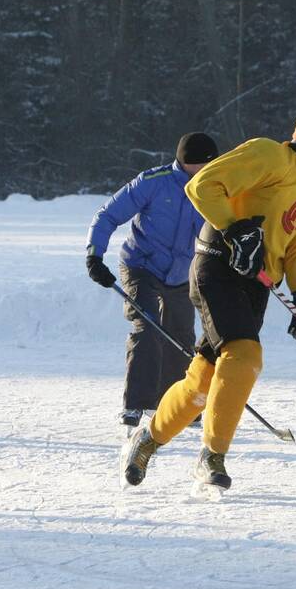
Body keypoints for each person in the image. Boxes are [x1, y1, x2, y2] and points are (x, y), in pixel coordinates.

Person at [120, 101, 296, 494]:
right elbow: (202, 185)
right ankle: (212, 456)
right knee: (244, 356)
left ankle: (147, 438)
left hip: (256, 282)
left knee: (203, 382)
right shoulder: (268, 154)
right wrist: (235, 227)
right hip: (218, 266)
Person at [86, 132, 219, 432]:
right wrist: (95, 255)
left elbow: (227, 229)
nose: (206, 171)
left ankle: (177, 407)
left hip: (182, 273)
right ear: (186, 162)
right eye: (201, 166)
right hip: (141, 266)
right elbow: (107, 215)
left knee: (182, 338)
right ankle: (135, 403)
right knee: (147, 326)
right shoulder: (153, 182)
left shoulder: (215, 188)